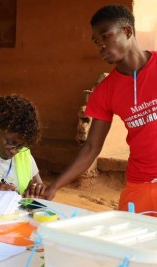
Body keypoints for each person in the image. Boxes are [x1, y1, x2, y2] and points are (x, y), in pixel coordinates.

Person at [44, 4, 157, 215]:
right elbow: (91, 148)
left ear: (127, 31)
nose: (101, 47)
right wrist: (55, 186)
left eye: (106, 37)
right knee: (130, 245)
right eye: (97, 42)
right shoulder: (105, 91)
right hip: (139, 186)